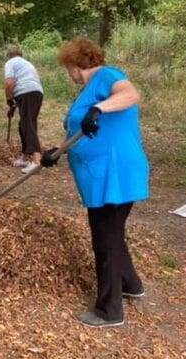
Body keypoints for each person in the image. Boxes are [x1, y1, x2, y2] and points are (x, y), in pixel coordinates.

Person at [41, 36, 148, 329]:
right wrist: (57, 151)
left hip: (115, 175)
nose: (69, 75)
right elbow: (81, 130)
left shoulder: (106, 76)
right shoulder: (87, 92)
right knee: (112, 233)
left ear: (76, 64)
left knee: (105, 239)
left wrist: (99, 108)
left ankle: (108, 311)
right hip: (101, 177)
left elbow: (131, 94)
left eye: (68, 69)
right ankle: (131, 284)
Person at [4, 44, 43, 171]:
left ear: (9, 56)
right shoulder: (26, 64)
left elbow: (9, 83)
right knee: (23, 125)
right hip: (36, 92)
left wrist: (8, 99)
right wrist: (13, 106)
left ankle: (37, 161)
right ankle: (25, 158)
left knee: (28, 125)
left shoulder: (11, 62)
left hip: (26, 93)